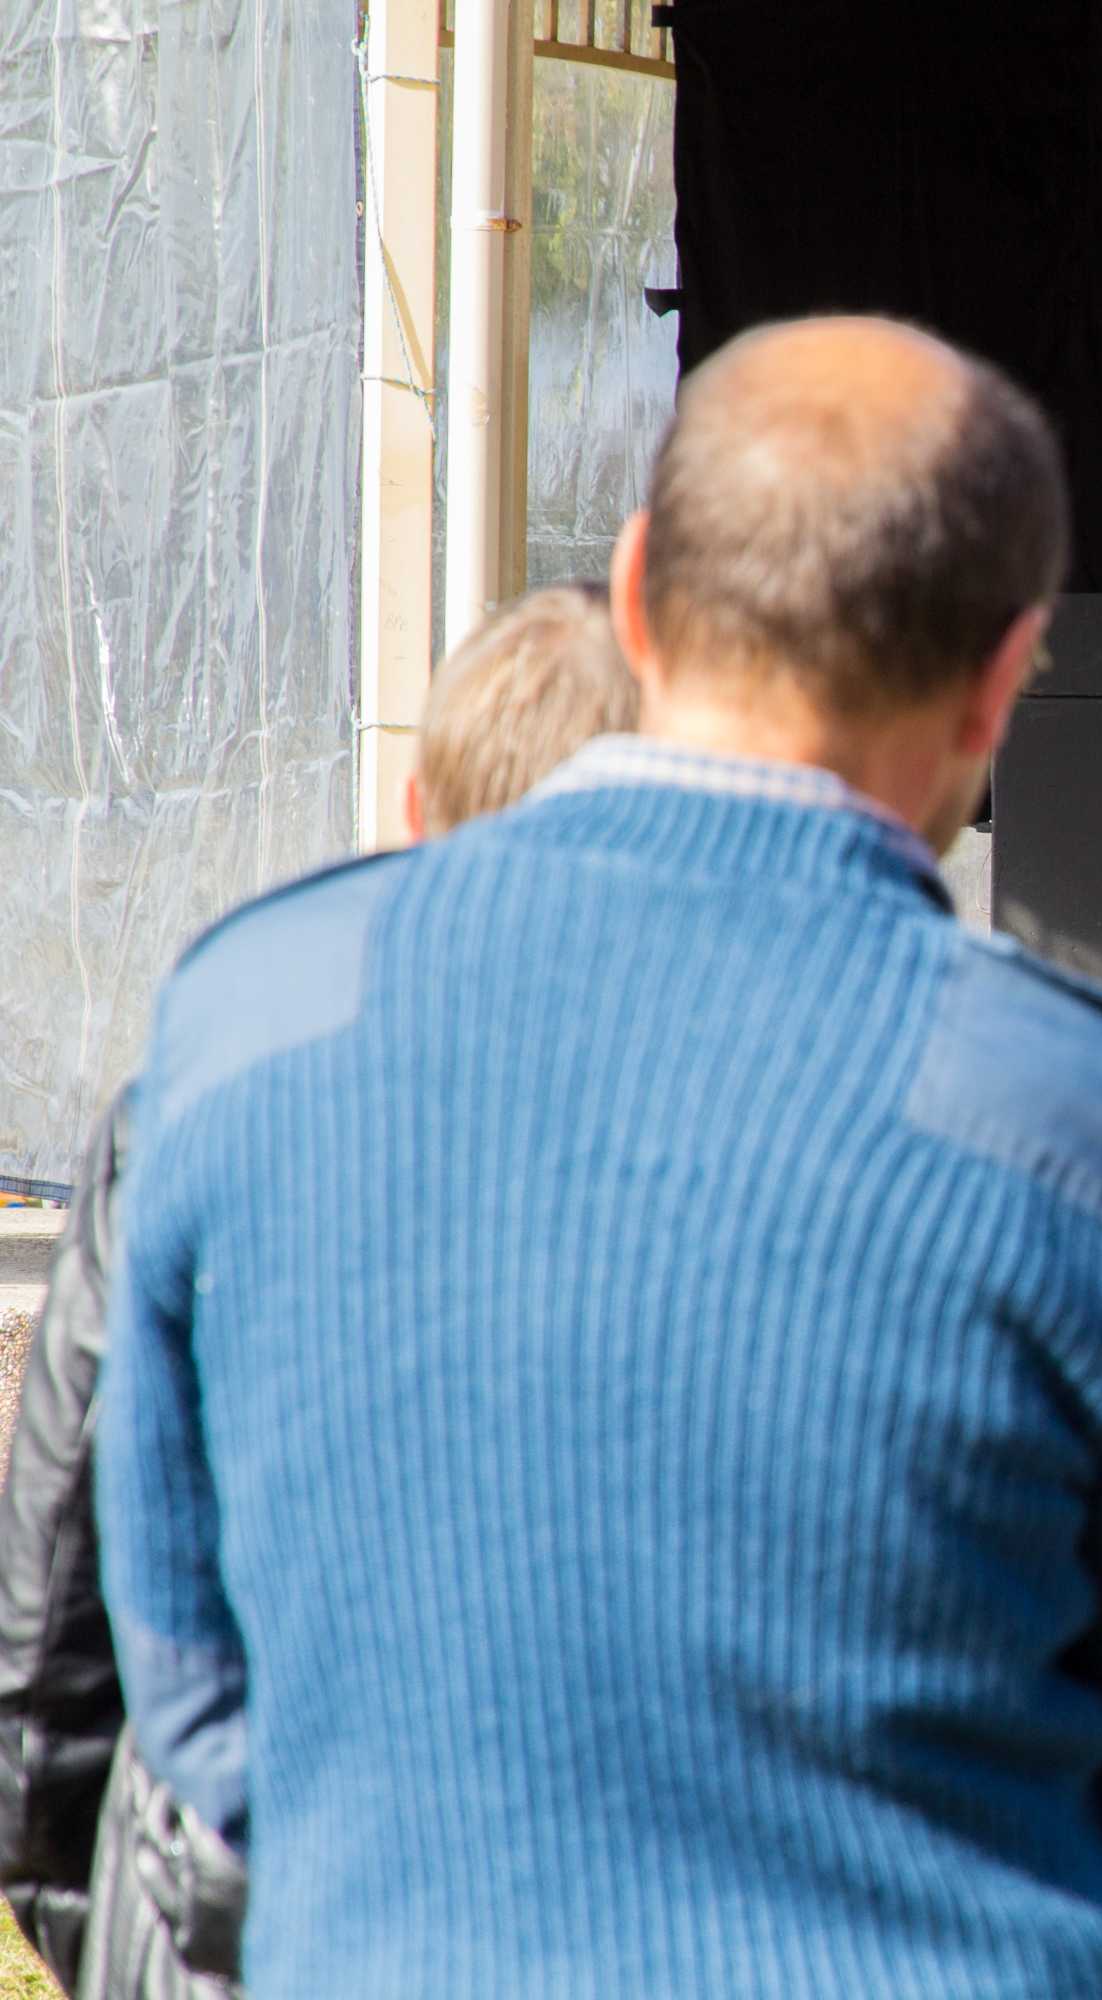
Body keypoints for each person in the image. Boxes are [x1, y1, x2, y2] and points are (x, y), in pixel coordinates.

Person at [97, 316, 1102, 1999]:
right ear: (1007, 677)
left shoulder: (252, 1016)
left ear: (639, 595)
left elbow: (185, 1675)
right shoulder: (1088, 1121)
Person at [0, 579, 639, 2000]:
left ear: (415, 814)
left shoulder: (195, 1109)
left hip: (243, 1904)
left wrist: (117, 1930)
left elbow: (53, 1611)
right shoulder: (781, 1132)